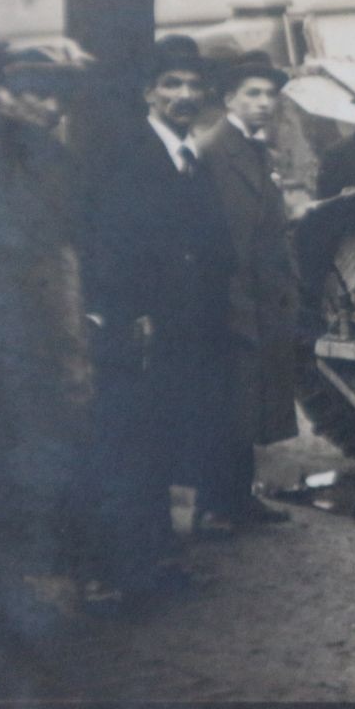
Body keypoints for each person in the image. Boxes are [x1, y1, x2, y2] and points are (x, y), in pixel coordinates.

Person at [80, 36, 235, 602]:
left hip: (185, 329)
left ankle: (159, 559)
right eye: (171, 84)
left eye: (194, 85)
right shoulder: (129, 154)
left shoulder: (189, 157)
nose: (184, 95)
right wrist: (129, 313)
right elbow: (111, 242)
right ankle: (125, 572)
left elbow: (211, 245)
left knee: (168, 444)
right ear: (149, 92)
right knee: (133, 450)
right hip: (140, 330)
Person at [0, 21, 94, 632]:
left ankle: (1, 594)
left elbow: (52, 256)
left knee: (8, 469)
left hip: (10, 341)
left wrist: (69, 351)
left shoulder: (27, 149)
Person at [192, 52, 299, 534]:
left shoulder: (256, 148)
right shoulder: (215, 149)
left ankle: (239, 497)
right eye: (253, 94)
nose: (263, 103)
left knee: (247, 405)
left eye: (270, 94)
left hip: (260, 296)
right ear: (229, 98)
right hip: (231, 298)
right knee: (226, 405)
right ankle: (213, 505)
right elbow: (220, 236)